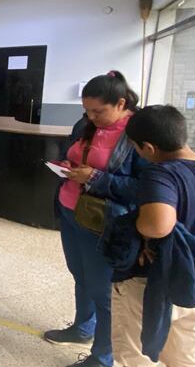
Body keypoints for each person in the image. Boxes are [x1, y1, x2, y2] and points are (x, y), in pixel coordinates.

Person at [110, 105, 195, 367]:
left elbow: (157, 226)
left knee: (136, 357)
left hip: (153, 283)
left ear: (148, 147)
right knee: (184, 356)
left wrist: (139, 225)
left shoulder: (161, 173)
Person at [44, 71, 147, 367]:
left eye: (98, 111)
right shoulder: (86, 123)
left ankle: (103, 356)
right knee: (80, 275)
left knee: (103, 291)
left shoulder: (138, 135)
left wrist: (96, 178)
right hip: (71, 211)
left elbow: (144, 187)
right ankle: (82, 328)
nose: (91, 117)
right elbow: (74, 151)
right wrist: (68, 164)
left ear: (121, 103)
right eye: (86, 110)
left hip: (105, 223)